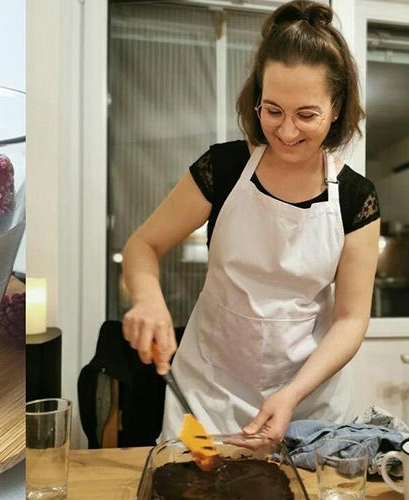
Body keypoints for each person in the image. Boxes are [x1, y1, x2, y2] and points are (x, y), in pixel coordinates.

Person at [121, 0, 380, 443]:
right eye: (273, 110)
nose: (287, 131)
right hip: (209, 392)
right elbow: (143, 246)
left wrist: (292, 395)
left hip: (308, 399)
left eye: (307, 114)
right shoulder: (221, 168)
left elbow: (351, 319)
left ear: (336, 108)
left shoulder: (357, 198)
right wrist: (147, 299)